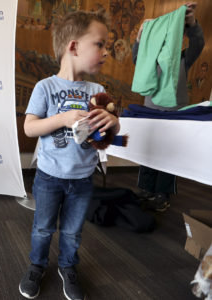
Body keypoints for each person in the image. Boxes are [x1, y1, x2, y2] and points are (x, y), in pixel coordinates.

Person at [19, 10, 119, 300]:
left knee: (73, 232)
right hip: (49, 177)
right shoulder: (46, 87)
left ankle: (67, 266)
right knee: (42, 228)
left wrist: (114, 123)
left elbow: (108, 130)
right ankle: (37, 265)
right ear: (74, 47)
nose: (105, 52)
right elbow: (29, 128)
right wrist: (62, 119)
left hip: (83, 179)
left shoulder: (98, 90)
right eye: (100, 44)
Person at [132, 2, 204, 212]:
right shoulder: (148, 60)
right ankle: (146, 188)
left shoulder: (182, 59)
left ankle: (163, 193)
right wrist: (139, 38)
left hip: (174, 114)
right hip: (151, 113)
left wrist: (192, 25)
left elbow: (198, 44)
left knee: (168, 155)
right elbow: (137, 58)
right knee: (150, 152)